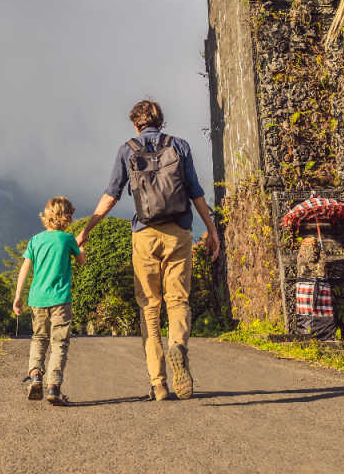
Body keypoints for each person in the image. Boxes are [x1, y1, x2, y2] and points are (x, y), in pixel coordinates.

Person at [76, 99, 220, 401]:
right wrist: (212, 230)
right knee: (178, 299)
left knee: (149, 308)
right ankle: (177, 344)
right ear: (161, 120)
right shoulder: (179, 146)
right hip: (178, 231)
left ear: (135, 124)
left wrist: (86, 231)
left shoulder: (127, 149)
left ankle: (158, 384)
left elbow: (111, 195)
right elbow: (195, 191)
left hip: (144, 235)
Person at [13, 196, 85, 405]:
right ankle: (53, 386)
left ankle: (35, 374)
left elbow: (25, 268)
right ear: (67, 217)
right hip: (60, 300)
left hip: (37, 299)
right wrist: (81, 248)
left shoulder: (36, 240)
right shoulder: (68, 239)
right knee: (59, 342)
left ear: (46, 216)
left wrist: (18, 297)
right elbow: (81, 260)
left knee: (39, 338)